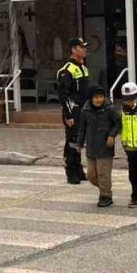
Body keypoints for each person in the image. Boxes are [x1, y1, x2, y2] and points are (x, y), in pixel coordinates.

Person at [76, 86, 121, 207]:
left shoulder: (109, 109)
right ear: (91, 98)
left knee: (103, 174)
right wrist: (79, 143)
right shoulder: (85, 110)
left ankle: (106, 196)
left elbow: (118, 123)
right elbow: (82, 128)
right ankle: (105, 189)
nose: (99, 99)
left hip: (105, 147)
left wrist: (112, 135)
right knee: (91, 175)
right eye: (96, 97)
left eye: (101, 97)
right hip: (91, 147)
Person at [57, 37, 92, 184]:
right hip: (73, 111)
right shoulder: (66, 70)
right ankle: (70, 171)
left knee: (80, 141)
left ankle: (78, 169)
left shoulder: (83, 68)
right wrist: (68, 115)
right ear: (73, 50)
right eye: (81, 47)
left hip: (84, 111)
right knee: (72, 141)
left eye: (84, 47)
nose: (85, 50)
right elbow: (63, 95)